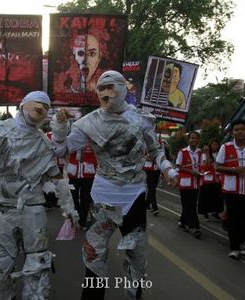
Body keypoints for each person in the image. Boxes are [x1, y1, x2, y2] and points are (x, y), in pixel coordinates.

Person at [51, 70, 179, 300]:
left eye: (110, 87)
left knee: (137, 258)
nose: (105, 93)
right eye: (100, 89)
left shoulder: (141, 118)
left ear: (124, 88)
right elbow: (60, 150)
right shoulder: (89, 122)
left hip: (134, 197)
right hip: (102, 196)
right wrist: (59, 129)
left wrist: (168, 169)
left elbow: (156, 150)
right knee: (94, 257)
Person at [0, 92, 78, 300]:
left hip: (34, 209)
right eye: (39, 104)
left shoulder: (43, 143)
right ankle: (3, 295)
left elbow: (55, 174)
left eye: (46, 107)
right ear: (23, 105)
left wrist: (69, 207)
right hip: (4, 208)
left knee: (38, 262)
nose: (43, 109)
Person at [216, 119, 245, 259]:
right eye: (237, 129)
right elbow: (217, 167)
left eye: (242, 129)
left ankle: (240, 241)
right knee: (233, 220)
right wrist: (235, 170)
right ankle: (234, 247)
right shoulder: (226, 147)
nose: (240, 131)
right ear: (232, 132)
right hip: (232, 191)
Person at [176, 131, 203, 238]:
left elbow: (204, 165)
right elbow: (178, 166)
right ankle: (195, 227)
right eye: (192, 138)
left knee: (190, 204)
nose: (194, 140)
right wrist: (190, 171)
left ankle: (182, 222)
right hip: (185, 183)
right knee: (188, 205)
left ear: (198, 140)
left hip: (196, 183)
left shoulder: (201, 152)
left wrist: (201, 172)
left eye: (196, 138)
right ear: (189, 140)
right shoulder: (182, 152)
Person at [67, 141, 97, 228]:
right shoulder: (73, 138)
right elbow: (63, 151)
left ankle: (82, 221)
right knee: (73, 197)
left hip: (88, 174)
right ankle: (75, 216)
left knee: (85, 199)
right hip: (74, 174)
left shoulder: (93, 139)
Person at [198, 139, 223, 220]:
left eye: (216, 144)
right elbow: (207, 163)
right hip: (207, 178)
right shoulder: (204, 154)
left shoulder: (220, 153)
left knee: (217, 196)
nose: (215, 146)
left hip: (217, 178)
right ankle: (205, 213)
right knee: (206, 196)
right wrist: (207, 152)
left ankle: (215, 212)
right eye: (213, 144)